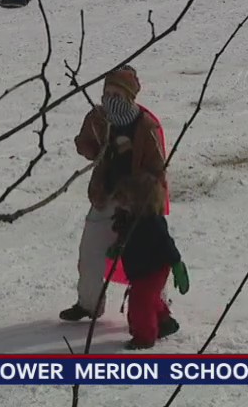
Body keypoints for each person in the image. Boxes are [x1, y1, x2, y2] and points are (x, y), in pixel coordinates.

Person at [61, 66, 172, 323]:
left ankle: (160, 311)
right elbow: (84, 141)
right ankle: (88, 304)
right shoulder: (98, 118)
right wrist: (92, 147)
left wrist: (144, 198)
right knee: (90, 251)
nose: (110, 99)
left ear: (130, 96)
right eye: (106, 92)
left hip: (136, 203)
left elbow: (158, 167)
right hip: (104, 194)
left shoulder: (145, 125)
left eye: (116, 93)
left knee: (146, 257)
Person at [107, 174, 188, 350]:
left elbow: (168, 246)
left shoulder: (153, 223)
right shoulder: (128, 218)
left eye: (125, 198)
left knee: (140, 302)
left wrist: (177, 265)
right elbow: (126, 238)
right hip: (139, 270)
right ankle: (164, 322)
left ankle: (144, 336)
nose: (120, 202)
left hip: (154, 270)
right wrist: (118, 247)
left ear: (139, 200)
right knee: (148, 298)